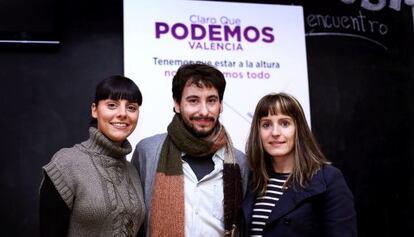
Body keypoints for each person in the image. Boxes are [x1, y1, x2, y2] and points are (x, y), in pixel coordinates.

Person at [132, 63, 249, 237]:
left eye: (211, 100)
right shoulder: (148, 152)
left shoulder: (240, 162)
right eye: (193, 100)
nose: (204, 111)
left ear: (221, 105)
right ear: (177, 104)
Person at [39, 75, 145, 237]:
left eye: (131, 107)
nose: (123, 114)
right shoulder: (66, 163)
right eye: (112, 105)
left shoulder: (132, 171)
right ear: (95, 110)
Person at [242, 93, 357, 237]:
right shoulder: (251, 179)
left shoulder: (329, 179)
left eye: (284, 123)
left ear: (299, 129)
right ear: (258, 132)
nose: (275, 132)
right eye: (266, 124)